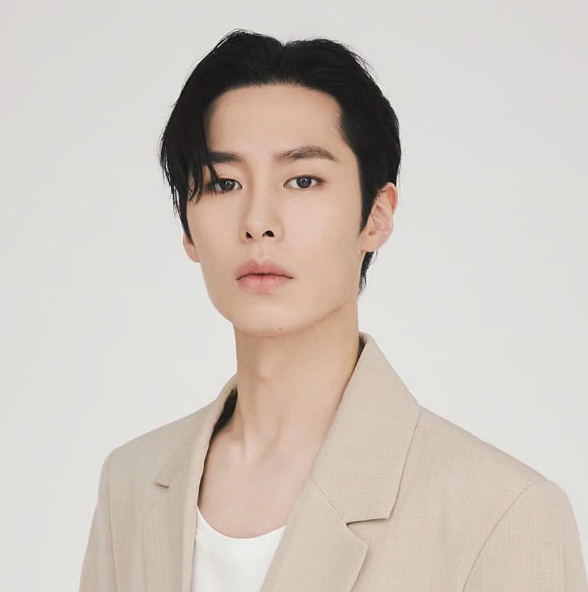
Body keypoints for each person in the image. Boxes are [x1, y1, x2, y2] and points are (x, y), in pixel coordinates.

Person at [79, 29, 588, 592]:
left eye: (303, 180)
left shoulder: (502, 514)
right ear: (187, 226)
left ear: (376, 216)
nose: (258, 222)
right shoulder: (132, 483)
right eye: (223, 183)